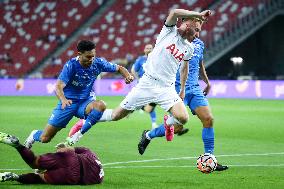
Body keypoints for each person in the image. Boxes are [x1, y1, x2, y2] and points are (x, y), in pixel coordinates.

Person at [66, 9, 211, 146]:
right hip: (147, 84)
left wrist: (183, 89)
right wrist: (198, 14)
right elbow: (174, 12)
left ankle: (167, 125)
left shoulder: (189, 48)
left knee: (183, 118)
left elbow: (184, 68)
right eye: (197, 30)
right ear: (187, 24)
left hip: (167, 88)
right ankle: (86, 121)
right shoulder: (169, 31)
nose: (198, 35)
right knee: (117, 115)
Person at [137, 37, 228, 171]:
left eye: (199, 28)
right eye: (195, 27)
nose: (197, 31)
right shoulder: (173, 41)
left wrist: (207, 82)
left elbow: (199, 64)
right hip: (175, 88)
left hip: (194, 89)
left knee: (208, 119)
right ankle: (148, 135)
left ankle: (209, 158)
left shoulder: (199, 44)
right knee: (178, 127)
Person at [24, 40, 134, 148]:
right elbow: (58, 86)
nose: (91, 59)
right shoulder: (71, 66)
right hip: (68, 103)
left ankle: (78, 134)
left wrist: (127, 75)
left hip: (85, 101)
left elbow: (119, 68)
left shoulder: (98, 63)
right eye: (88, 57)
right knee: (45, 138)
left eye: (93, 56)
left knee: (100, 105)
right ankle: (34, 134)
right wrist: (63, 100)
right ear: (79, 54)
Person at [0, 132, 104, 185]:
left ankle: (18, 145)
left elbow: (66, 150)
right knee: (40, 178)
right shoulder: (98, 175)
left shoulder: (87, 152)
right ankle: (14, 177)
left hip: (70, 159)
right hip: (74, 177)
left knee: (35, 162)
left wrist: (61, 148)